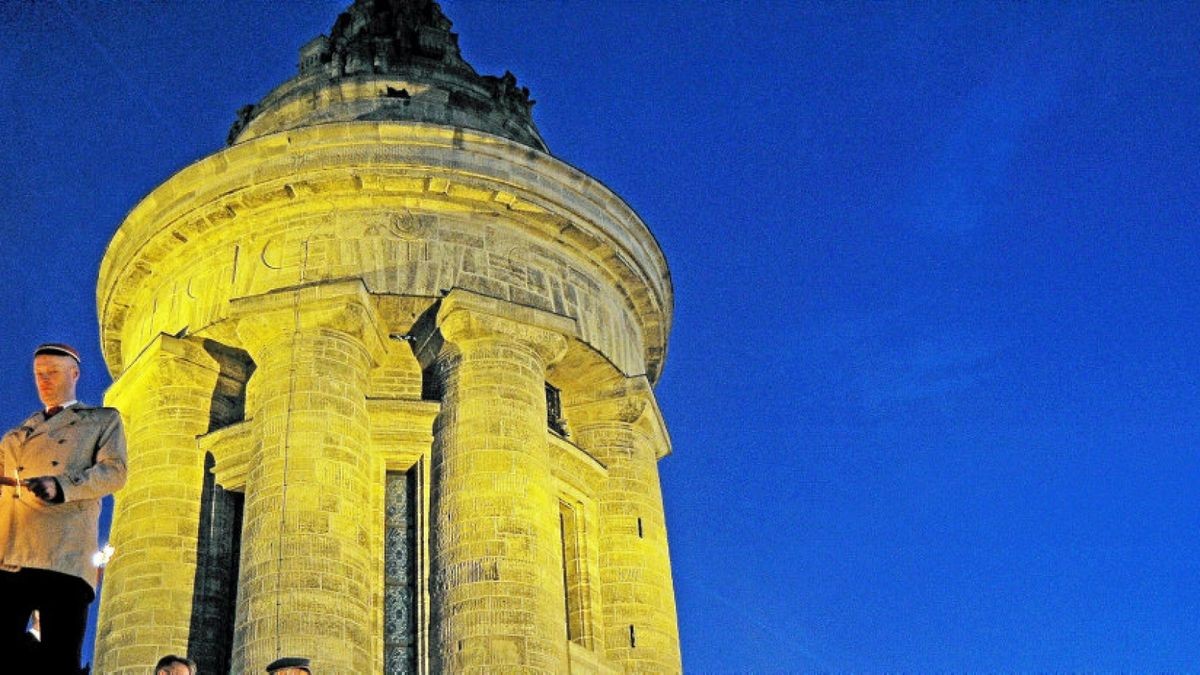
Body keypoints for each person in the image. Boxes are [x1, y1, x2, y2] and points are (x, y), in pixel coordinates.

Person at [0, 343, 128, 674]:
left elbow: (115, 472)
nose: (44, 380)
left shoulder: (100, 420)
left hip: (63, 554)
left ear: (75, 373)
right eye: (38, 374)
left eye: (53, 373)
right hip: (10, 553)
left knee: (60, 657)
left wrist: (62, 486)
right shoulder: (16, 434)